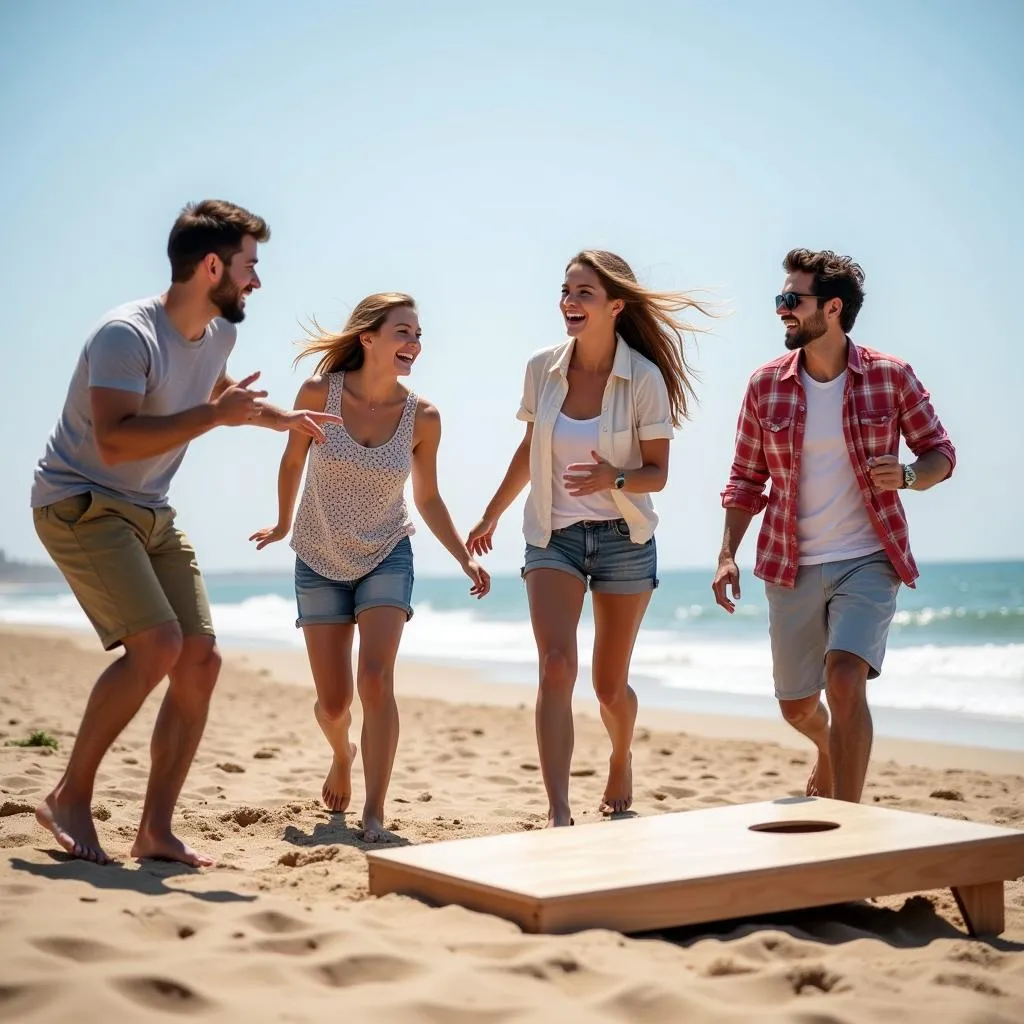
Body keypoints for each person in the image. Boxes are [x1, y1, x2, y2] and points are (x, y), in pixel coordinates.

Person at [30, 199, 342, 867]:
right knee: (157, 646)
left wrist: (278, 419)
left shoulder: (217, 335)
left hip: (150, 507)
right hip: (81, 501)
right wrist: (216, 417)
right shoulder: (125, 336)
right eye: (249, 266)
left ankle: (155, 830)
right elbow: (114, 441)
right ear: (211, 267)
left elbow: (219, 394)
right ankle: (68, 796)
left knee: (199, 658)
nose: (256, 280)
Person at [467, 251, 709, 828]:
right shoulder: (542, 368)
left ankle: (620, 755)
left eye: (584, 294)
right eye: (566, 292)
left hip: (625, 537)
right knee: (555, 666)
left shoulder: (643, 379)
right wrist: (491, 513)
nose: (569, 303)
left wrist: (613, 477)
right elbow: (530, 452)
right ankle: (557, 812)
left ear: (615, 306)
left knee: (607, 687)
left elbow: (658, 473)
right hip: (555, 536)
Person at [712, 248, 956, 802]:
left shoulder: (890, 377)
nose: (781, 310)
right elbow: (745, 480)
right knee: (797, 705)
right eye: (781, 299)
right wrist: (727, 553)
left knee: (845, 679)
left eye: (791, 300)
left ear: (834, 307)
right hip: (789, 561)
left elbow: (939, 452)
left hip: (868, 555)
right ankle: (827, 748)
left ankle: (849, 824)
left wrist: (912, 475)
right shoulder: (764, 385)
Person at [250, 292, 490, 842]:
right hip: (317, 553)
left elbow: (427, 498)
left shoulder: (422, 417)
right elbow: (292, 461)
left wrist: (462, 556)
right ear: (368, 338)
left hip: (387, 551)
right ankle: (342, 753)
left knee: (376, 679)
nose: (414, 344)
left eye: (418, 335)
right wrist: (284, 523)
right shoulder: (318, 393)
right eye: (403, 332)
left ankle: (375, 809)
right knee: (334, 704)